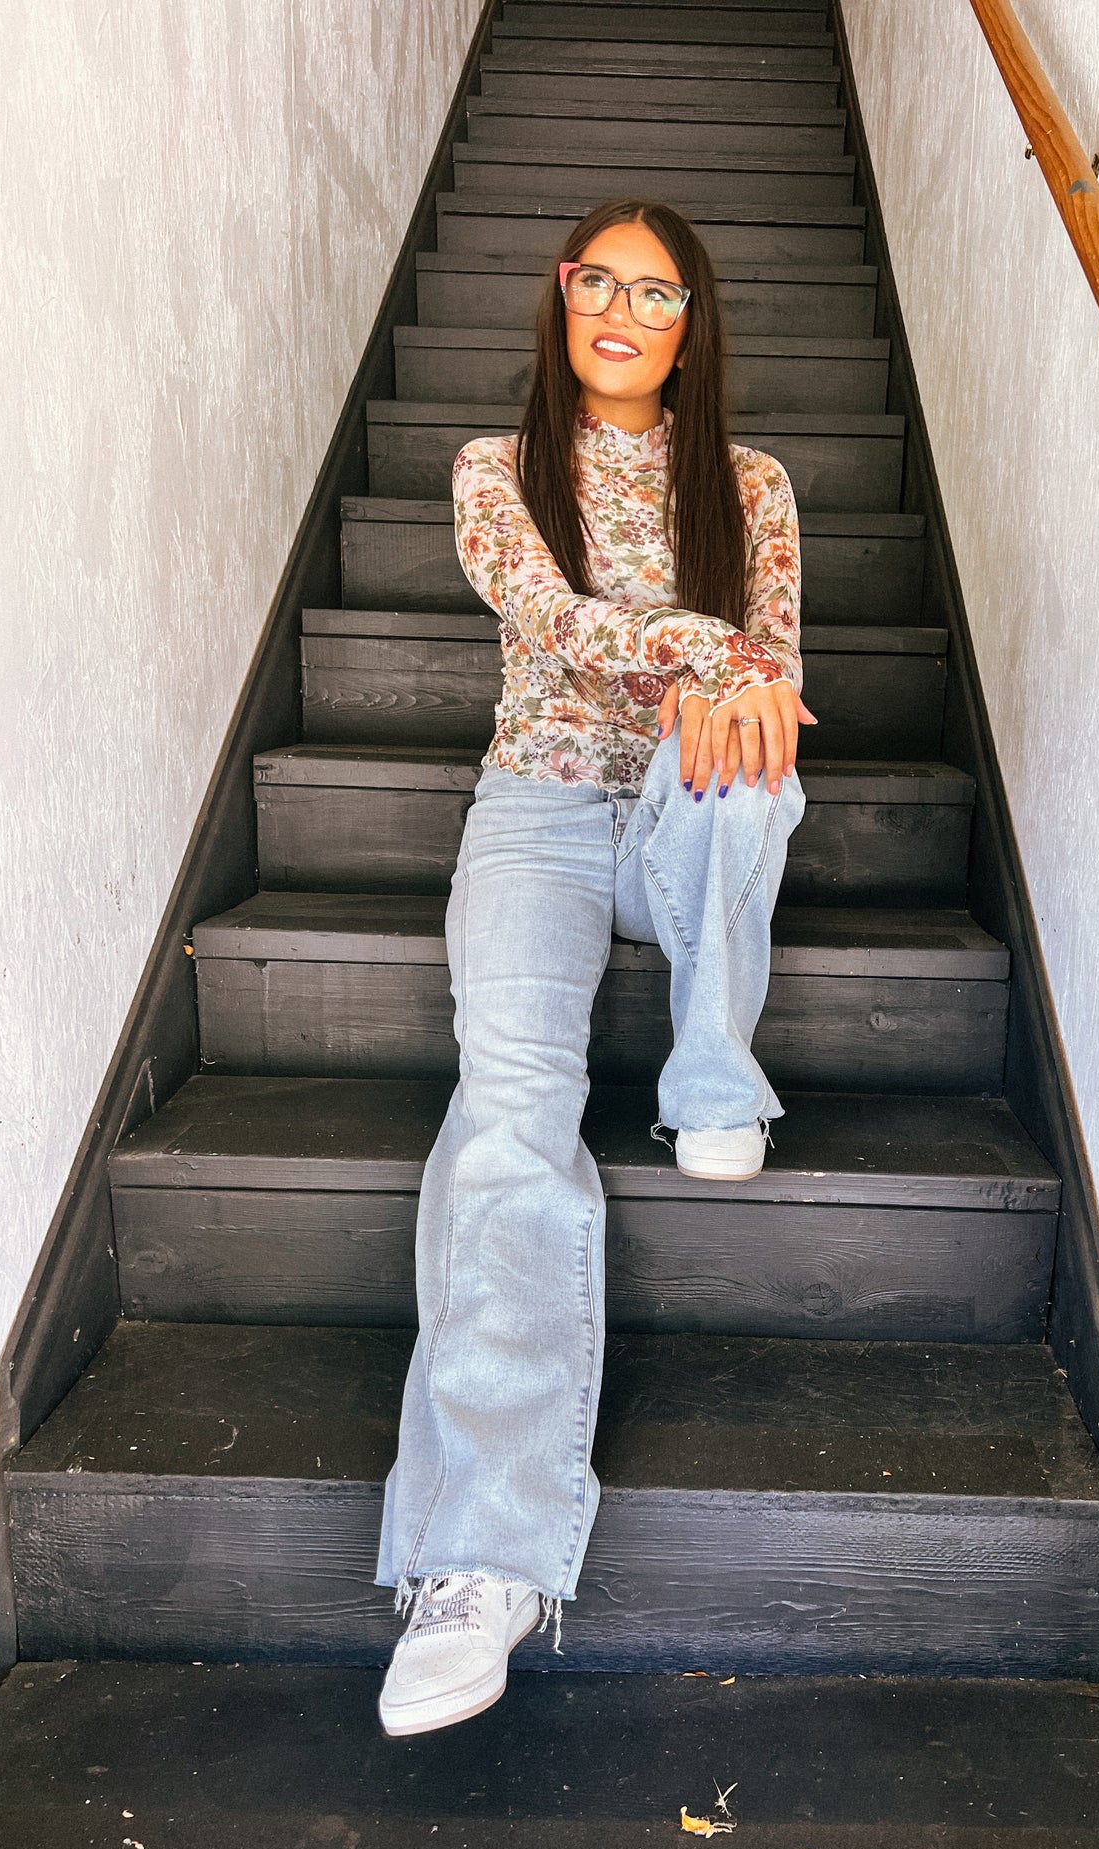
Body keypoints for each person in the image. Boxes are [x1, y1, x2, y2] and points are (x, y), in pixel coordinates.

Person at [374, 199, 816, 1737]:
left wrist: (730, 683)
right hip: (541, 809)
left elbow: (776, 671)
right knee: (502, 1112)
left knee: (750, 756)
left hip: (683, 813)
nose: (620, 310)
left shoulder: (751, 485)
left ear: (695, 320)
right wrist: (715, 659)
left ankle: (711, 1070)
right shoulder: (496, 471)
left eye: (657, 291)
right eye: (595, 281)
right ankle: (483, 1563)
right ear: (559, 296)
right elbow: (549, 622)